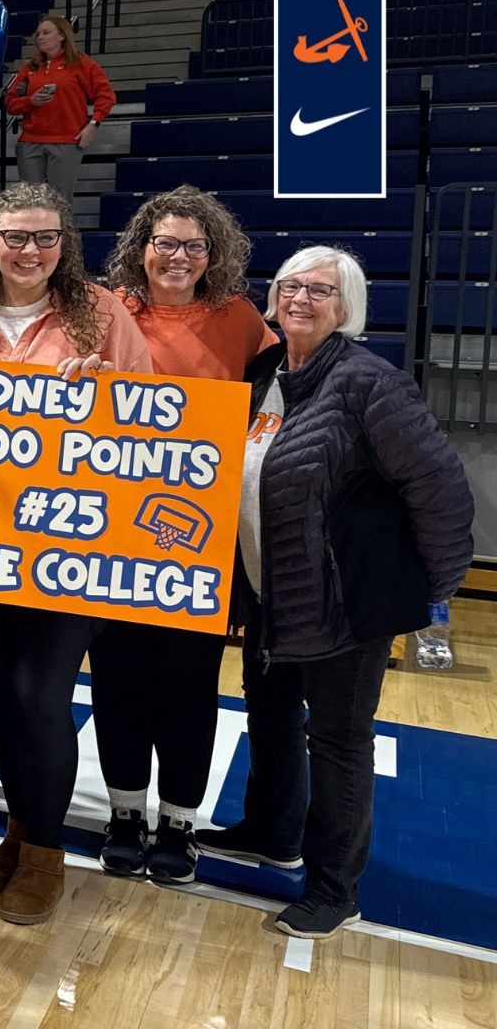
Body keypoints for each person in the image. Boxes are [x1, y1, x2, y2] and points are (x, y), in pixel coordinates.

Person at [201, 246, 472, 939]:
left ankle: (332, 887)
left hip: (345, 602)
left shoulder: (370, 383)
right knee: (269, 718)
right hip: (270, 590)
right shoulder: (263, 371)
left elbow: (439, 488)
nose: (300, 298)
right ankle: (269, 830)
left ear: (345, 305)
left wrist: (433, 586)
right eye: (292, 285)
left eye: (320, 290)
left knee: (340, 742)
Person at [0, 182, 150, 925]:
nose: (29, 251)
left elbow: (150, 418)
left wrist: (108, 391)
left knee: (41, 692)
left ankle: (47, 852)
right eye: (14, 236)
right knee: (6, 690)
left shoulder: (102, 313)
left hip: (74, 536)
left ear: (64, 243)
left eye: (45, 237)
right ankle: (20, 827)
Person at [86, 186, 277, 883]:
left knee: (190, 684)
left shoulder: (241, 319)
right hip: (110, 533)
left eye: (193, 245)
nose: (177, 256)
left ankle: (178, 823)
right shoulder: (106, 311)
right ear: (142, 249)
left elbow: (287, 390)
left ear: (212, 254)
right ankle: (126, 813)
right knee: (118, 678)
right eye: (164, 242)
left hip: (198, 536)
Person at [4, 16, 115, 205]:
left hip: (66, 141)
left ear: (62, 36)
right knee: (30, 203)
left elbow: (106, 95)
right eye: (38, 34)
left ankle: (61, 235)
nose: (40, 37)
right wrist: (31, 101)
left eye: (46, 32)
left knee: (60, 203)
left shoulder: (81, 63)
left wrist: (93, 124)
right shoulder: (29, 68)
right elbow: (10, 102)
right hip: (31, 141)